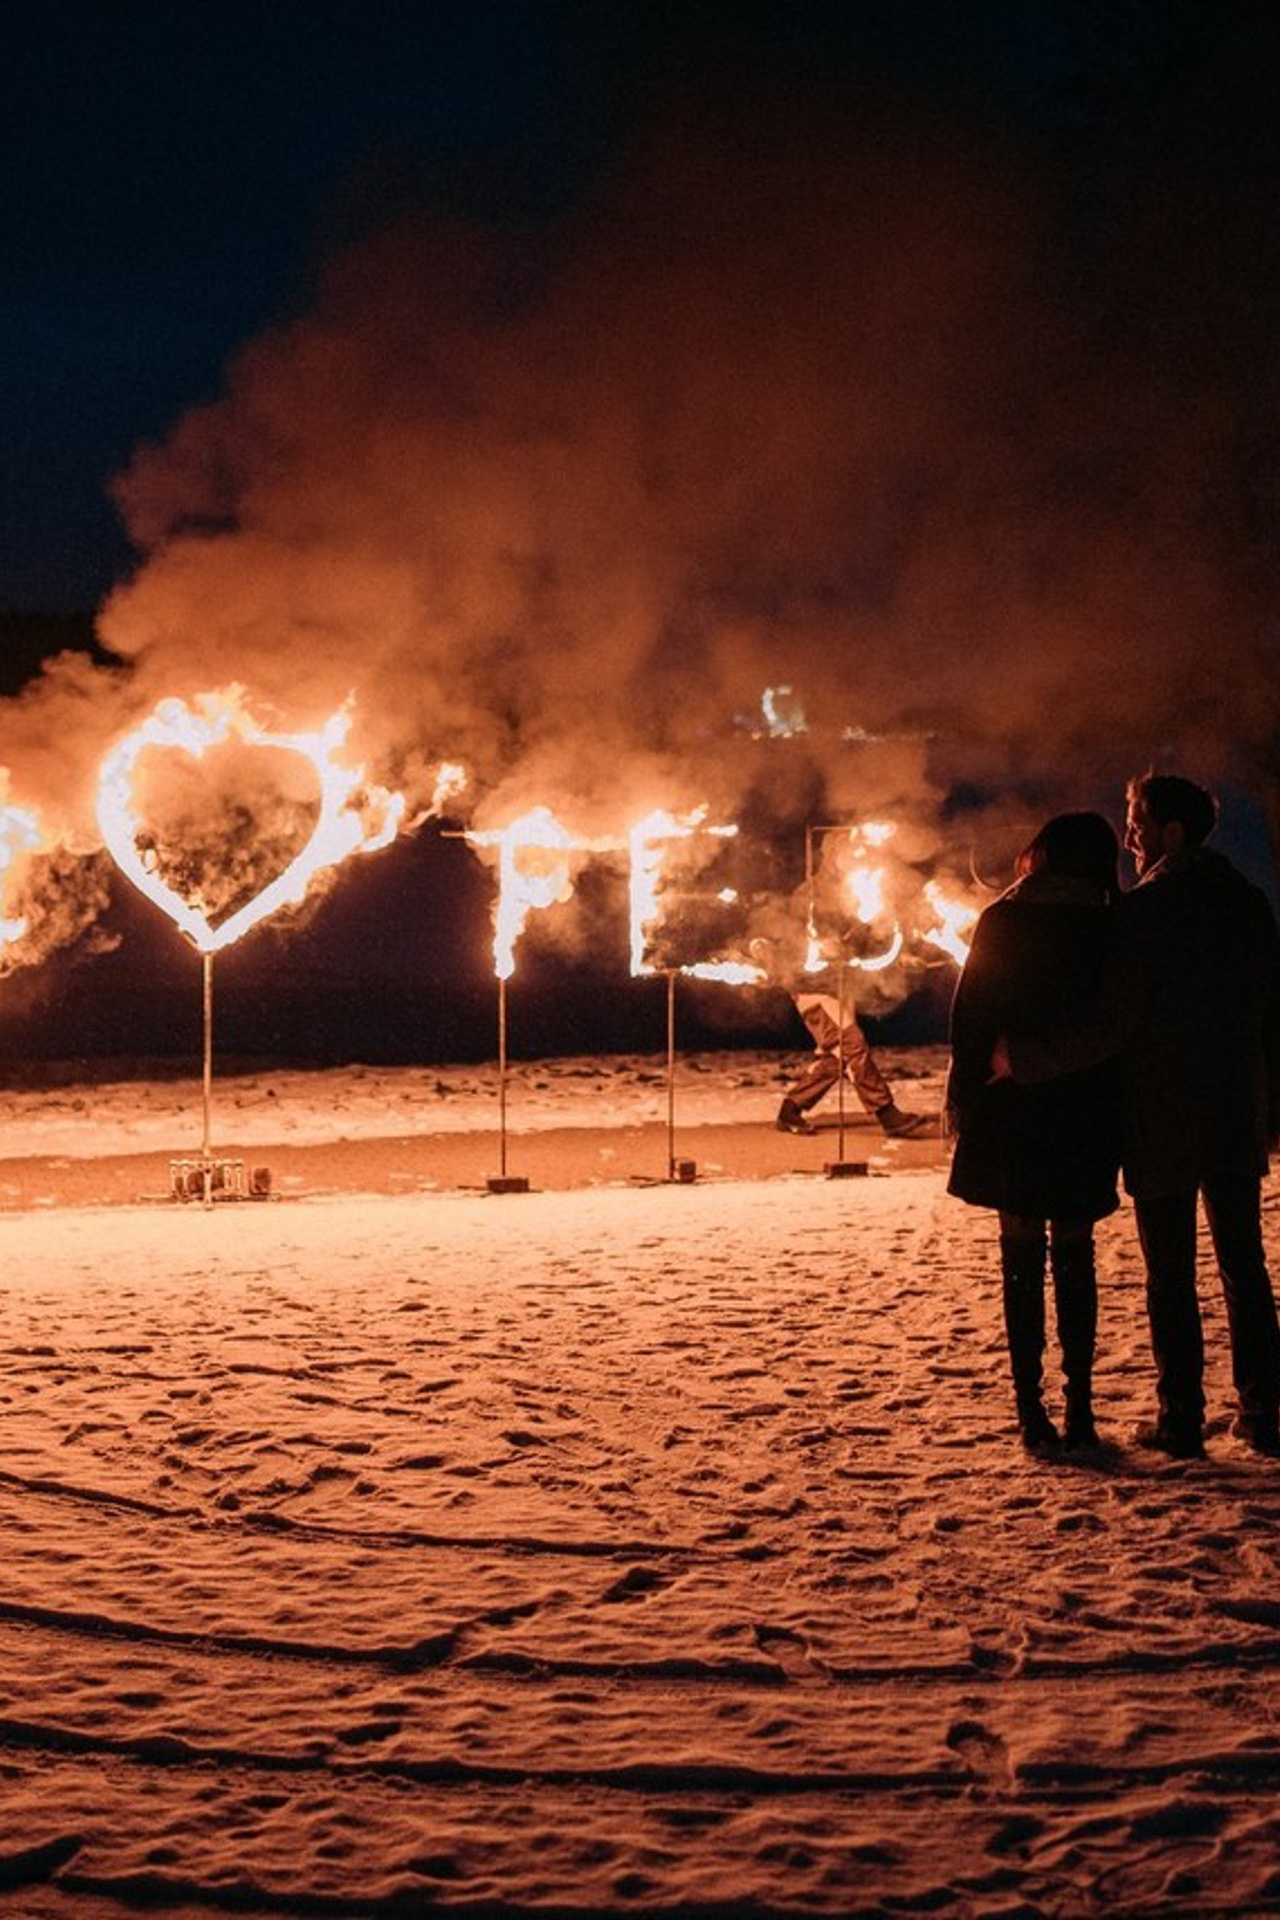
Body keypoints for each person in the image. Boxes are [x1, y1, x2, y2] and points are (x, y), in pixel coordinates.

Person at [1003, 774, 1280, 1460]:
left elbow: (1113, 1024)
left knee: (1172, 1275)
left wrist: (1026, 1062)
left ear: (1171, 833)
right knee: (1245, 1267)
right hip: (1235, 1113)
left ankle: (1180, 1419)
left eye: (1137, 821)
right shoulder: (1245, 902)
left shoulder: (1148, 911)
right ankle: (1265, 1409)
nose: (1128, 835)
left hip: (1164, 1117)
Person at [947, 811, 1123, 1451]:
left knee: (1020, 1259)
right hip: (1085, 1110)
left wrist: (969, 1087)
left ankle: (1031, 1410)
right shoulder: (1111, 922)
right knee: (1076, 1257)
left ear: (1042, 855)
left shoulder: (1006, 919)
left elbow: (970, 1016)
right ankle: (1081, 1406)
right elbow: (1118, 1020)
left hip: (1013, 1109)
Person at [777, 988, 929, 1137]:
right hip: (819, 993)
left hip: (838, 990)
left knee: (836, 1058)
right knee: (851, 1045)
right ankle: (886, 1112)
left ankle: (790, 1109)